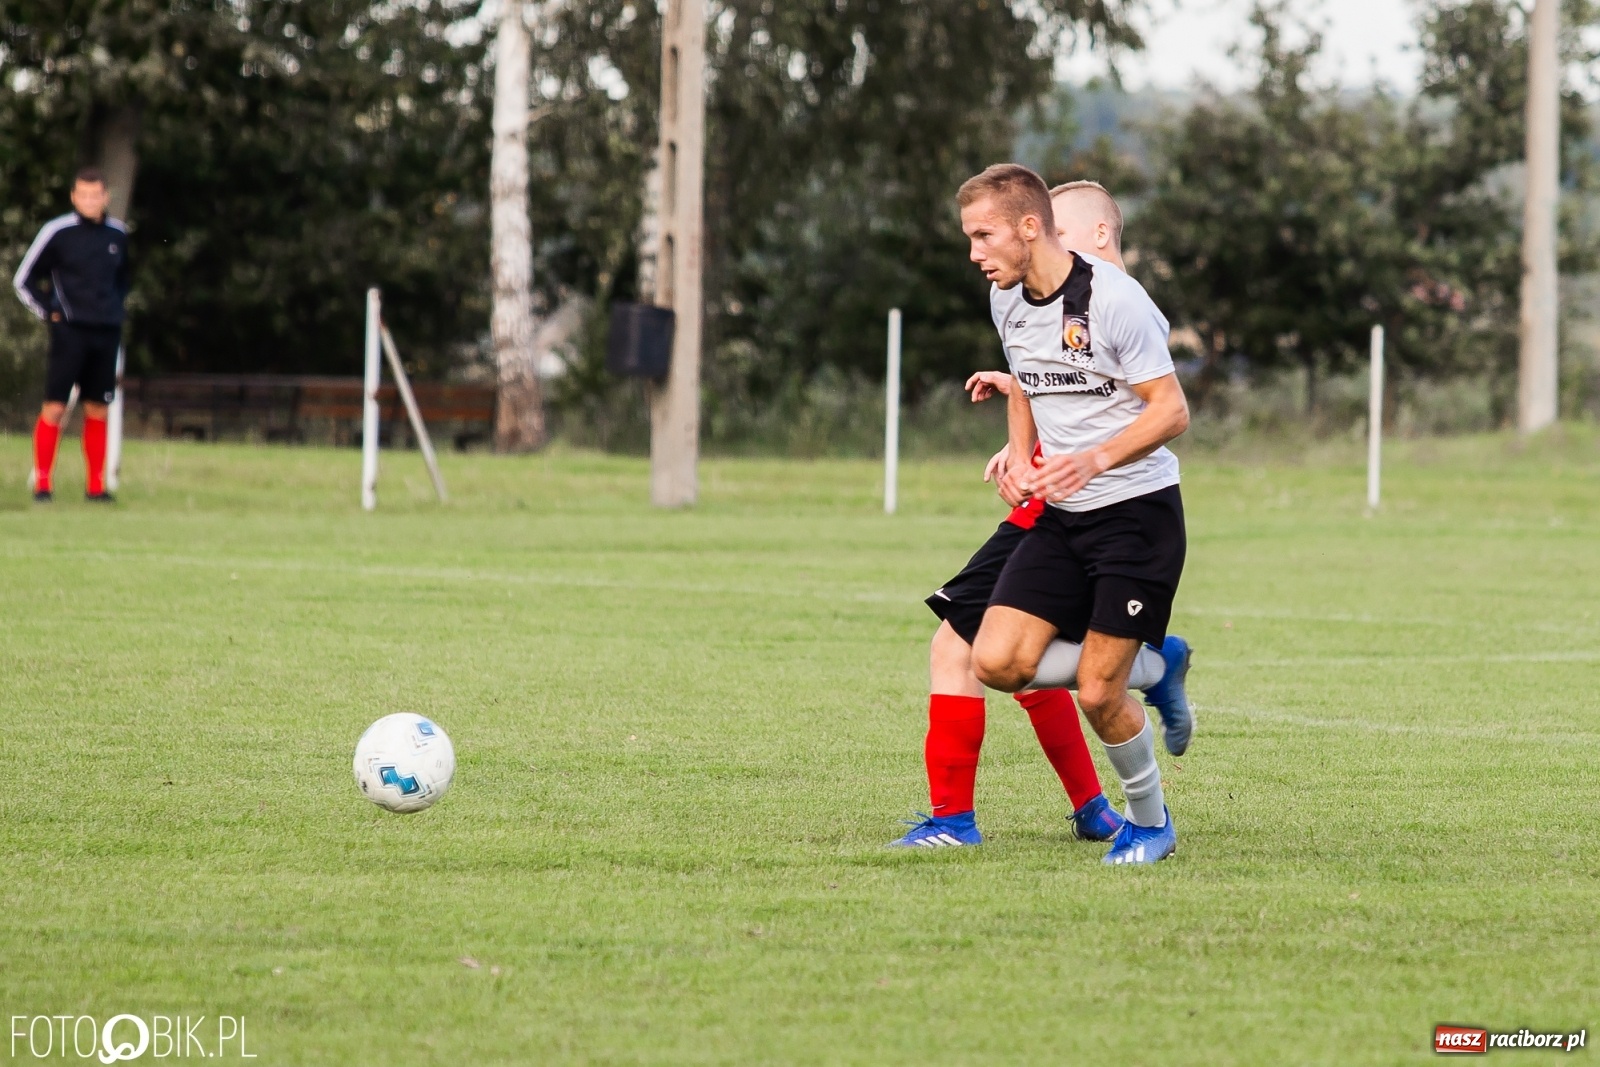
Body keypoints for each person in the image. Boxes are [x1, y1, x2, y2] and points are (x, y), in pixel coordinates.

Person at [890, 182, 1191, 849]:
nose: (972, 253)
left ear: (1032, 228)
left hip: (1134, 513)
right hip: (1060, 514)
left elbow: (1172, 411)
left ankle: (1148, 822)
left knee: (1096, 692)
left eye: (981, 236)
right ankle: (1149, 669)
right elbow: (1029, 375)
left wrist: (1094, 459)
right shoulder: (1007, 298)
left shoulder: (1115, 299)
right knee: (992, 661)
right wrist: (1024, 458)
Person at [13, 167, 130, 504]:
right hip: (69, 333)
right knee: (55, 406)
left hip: (105, 332)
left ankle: (96, 487)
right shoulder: (57, 232)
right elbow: (24, 279)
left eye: (96, 195)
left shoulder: (117, 235)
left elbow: (123, 281)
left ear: (106, 197)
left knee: (98, 407)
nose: (90, 201)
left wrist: (113, 311)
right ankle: (43, 485)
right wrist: (50, 312)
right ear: (74, 197)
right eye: (84, 195)